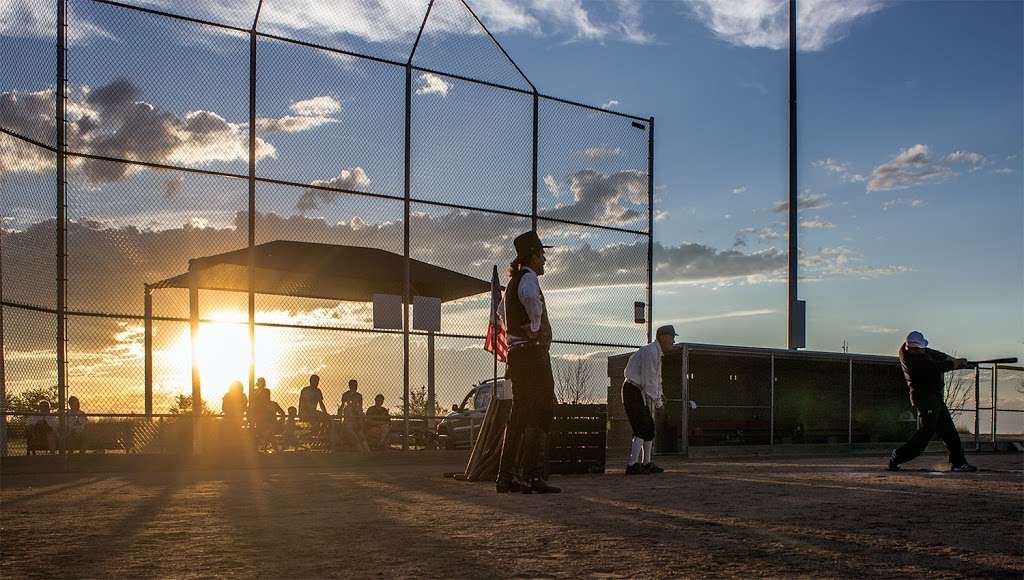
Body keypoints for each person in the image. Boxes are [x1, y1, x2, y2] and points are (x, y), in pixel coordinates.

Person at [495, 230, 560, 494]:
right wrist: (534, 325)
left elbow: (500, 312)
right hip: (532, 353)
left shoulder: (512, 283)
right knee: (542, 411)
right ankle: (531, 475)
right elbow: (532, 299)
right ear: (533, 256)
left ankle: (505, 476)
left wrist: (514, 331)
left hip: (516, 355)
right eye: (542, 255)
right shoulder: (529, 279)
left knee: (519, 414)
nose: (544, 260)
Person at [888, 331, 977, 472]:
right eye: (920, 348)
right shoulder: (914, 362)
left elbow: (936, 354)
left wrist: (957, 361)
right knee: (927, 431)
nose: (924, 350)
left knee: (949, 431)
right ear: (912, 348)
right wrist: (955, 364)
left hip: (934, 397)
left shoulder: (914, 349)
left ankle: (958, 462)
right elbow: (938, 366)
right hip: (924, 399)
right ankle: (898, 455)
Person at [622, 325, 676, 475]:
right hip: (632, 390)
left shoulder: (656, 353)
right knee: (641, 426)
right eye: (671, 337)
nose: (673, 340)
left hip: (638, 391)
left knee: (649, 426)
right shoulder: (651, 352)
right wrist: (659, 403)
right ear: (663, 337)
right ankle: (632, 464)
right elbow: (649, 381)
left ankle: (646, 463)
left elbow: (656, 379)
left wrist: (660, 395)